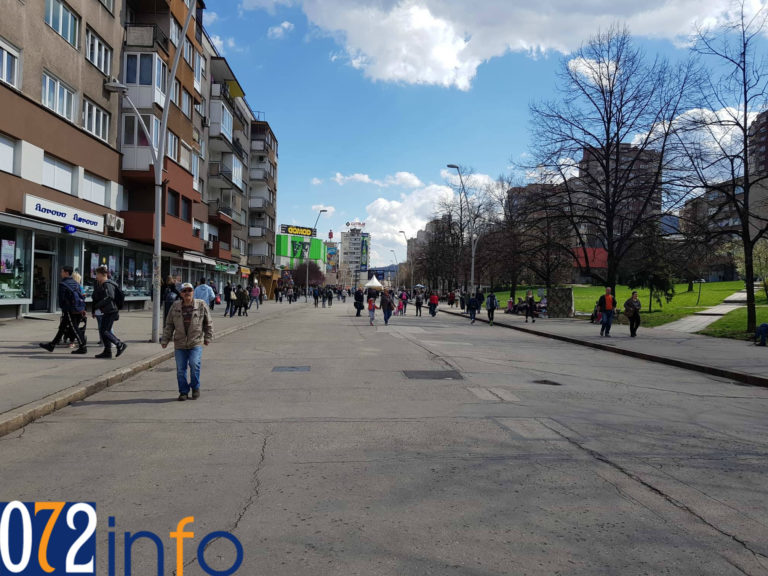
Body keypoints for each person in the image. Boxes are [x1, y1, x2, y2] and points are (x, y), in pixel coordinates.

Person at [161, 282, 214, 401]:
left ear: (193, 292)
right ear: (181, 294)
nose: (187, 293)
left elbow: (208, 322)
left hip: (195, 342)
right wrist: (165, 339)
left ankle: (195, 387)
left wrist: (208, 337)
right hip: (180, 343)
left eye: (189, 290)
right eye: (184, 291)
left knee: (194, 364)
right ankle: (183, 391)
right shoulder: (175, 306)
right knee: (181, 369)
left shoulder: (201, 304)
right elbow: (169, 324)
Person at [39, 265, 88, 355]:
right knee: (62, 328)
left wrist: (64, 308)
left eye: (62, 271)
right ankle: (52, 345)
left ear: (66, 273)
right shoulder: (75, 283)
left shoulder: (63, 284)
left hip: (70, 309)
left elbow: (61, 299)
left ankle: (83, 347)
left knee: (74, 328)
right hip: (78, 308)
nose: (61, 273)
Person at [91, 265, 127, 359]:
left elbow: (110, 296)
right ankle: (107, 351)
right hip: (108, 310)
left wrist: (98, 305)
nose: (96, 277)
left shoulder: (107, 284)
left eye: (97, 274)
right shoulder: (104, 284)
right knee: (104, 331)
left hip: (111, 310)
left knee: (104, 331)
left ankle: (119, 344)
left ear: (102, 274)